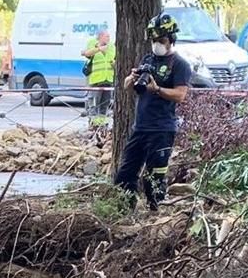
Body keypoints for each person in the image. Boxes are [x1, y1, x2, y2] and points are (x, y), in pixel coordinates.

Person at [116, 13, 191, 211]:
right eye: (154, 40)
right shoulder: (148, 59)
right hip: (140, 127)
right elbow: (126, 85)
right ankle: (124, 210)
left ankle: (155, 212)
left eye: (161, 40)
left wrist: (157, 89)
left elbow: (180, 95)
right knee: (124, 174)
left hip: (161, 128)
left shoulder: (180, 64)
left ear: (171, 39)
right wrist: (132, 78)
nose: (157, 43)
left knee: (154, 176)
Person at [81, 29, 115, 119]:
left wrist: (114, 63)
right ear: (100, 36)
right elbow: (86, 53)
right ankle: (93, 125)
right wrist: (99, 49)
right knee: (94, 104)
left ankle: (102, 125)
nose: (109, 38)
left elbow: (113, 58)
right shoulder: (92, 43)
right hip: (96, 80)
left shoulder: (111, 45)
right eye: (107, 36)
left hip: (108, 79)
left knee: (105, 104)